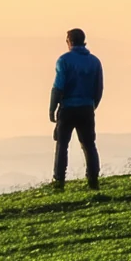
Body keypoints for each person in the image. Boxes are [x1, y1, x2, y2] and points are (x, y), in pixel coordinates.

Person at [49, 28, 103, 191]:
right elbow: (99, 88)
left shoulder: (64, 60)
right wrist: (92, 105)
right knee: (89, 144)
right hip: (86, 108)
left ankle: (59, 181)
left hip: (68, 109)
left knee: (62, 145)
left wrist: (52, 109)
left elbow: (58, 87)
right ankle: (93, 180)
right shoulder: (94, 61)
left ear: (70, 41)